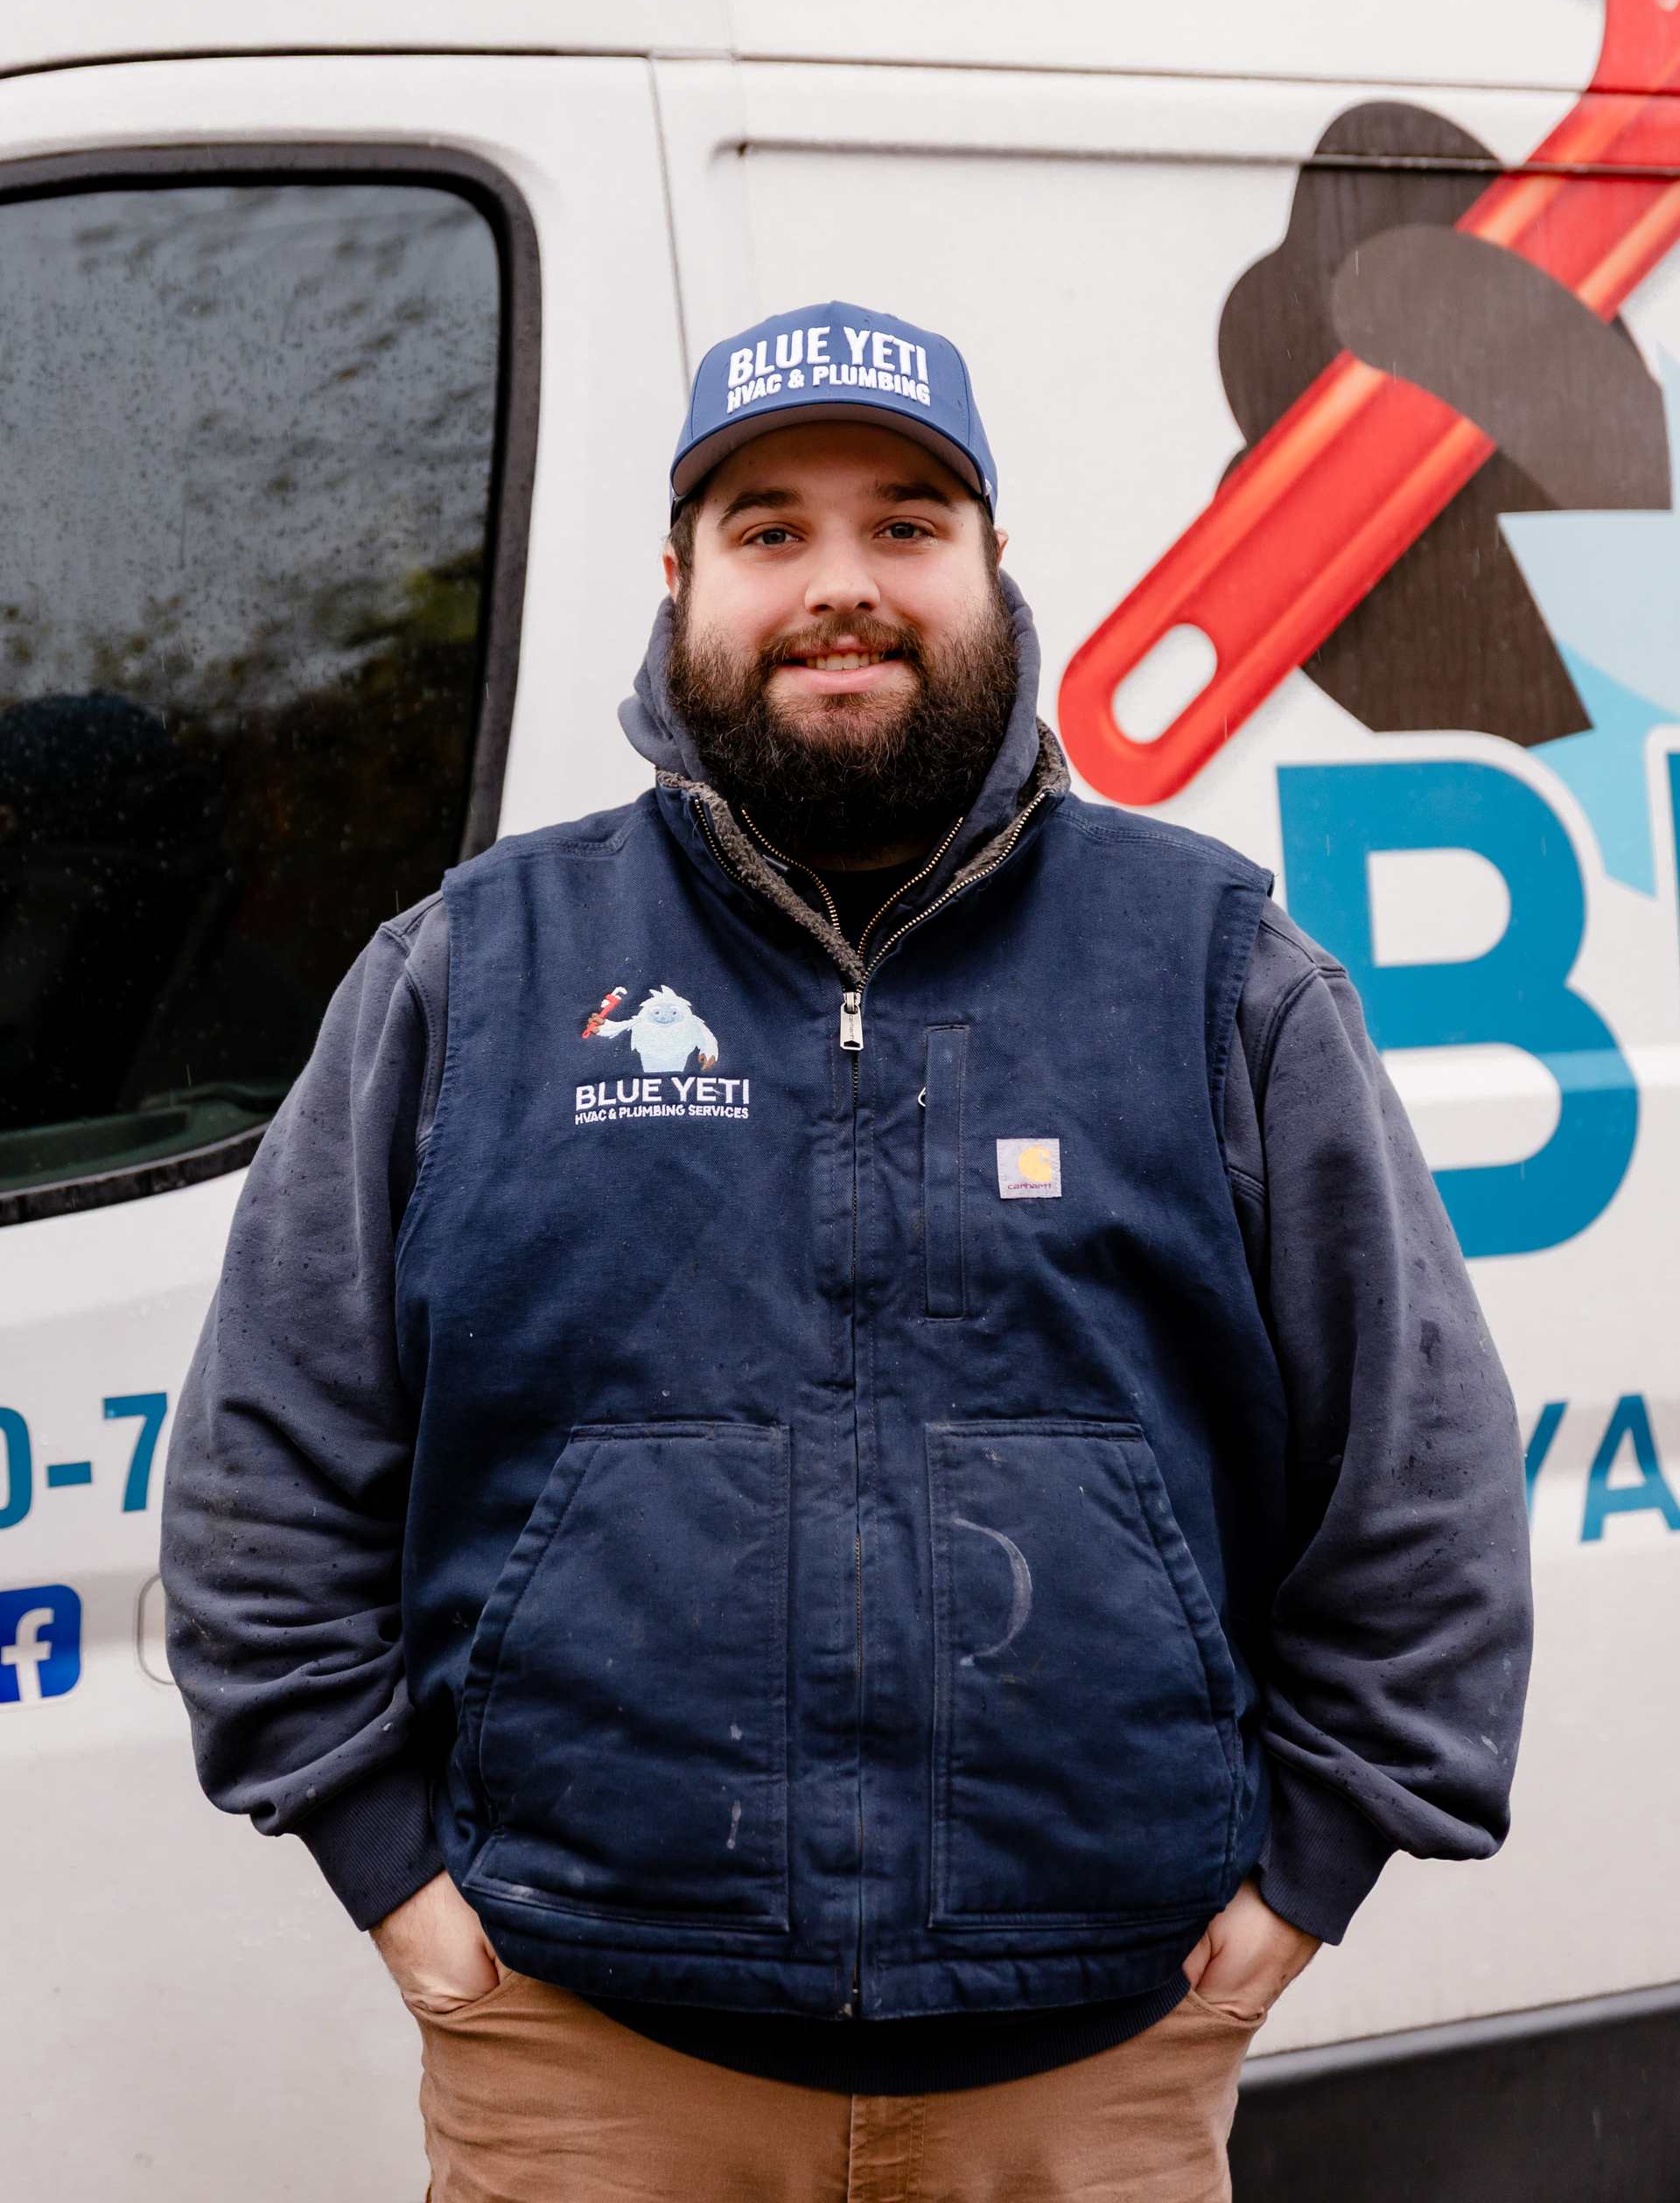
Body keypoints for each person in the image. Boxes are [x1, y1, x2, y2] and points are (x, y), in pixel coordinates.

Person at [162, 301, 1532, 2203]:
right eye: (769, 530)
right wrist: (389, 1871)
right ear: (677, 580)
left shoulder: (1219, 976)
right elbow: (261, 1474)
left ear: (990, 566)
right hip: (588, 2063)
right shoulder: (476, 976)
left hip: (1091, 2074)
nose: (843, 587)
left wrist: (1309, 1875)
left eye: (905, 523)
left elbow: (1424, 1479)